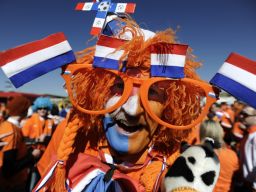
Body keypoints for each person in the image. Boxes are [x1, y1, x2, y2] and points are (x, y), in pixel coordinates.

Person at [34, 15, 220, 192]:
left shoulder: (177, 165)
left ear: (169, 107)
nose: (131, 110)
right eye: (118, 86)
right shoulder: (74, 136)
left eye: (153, 92)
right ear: (97, 94)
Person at [0, 96, 41, 192]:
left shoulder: (7, 125)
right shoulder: (12, 131)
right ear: (24, 110)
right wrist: (32, 156)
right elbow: (9, 170)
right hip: (12, 185)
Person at [199, 119, 239, 192]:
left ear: (202, 133)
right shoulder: (232, 155)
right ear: (221, 133)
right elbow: (236, 174)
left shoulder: (198, 153)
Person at [239, 106, 256, 192]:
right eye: (242, 113)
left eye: (246, 114)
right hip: (245, 184)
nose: (241, 116)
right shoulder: (248, 133)